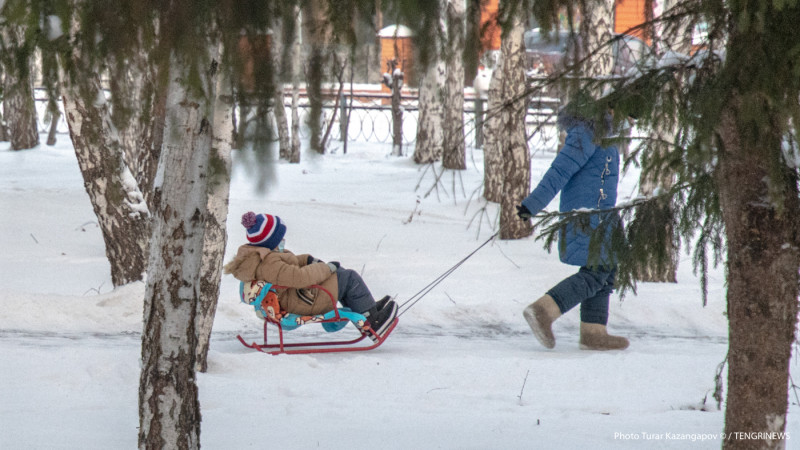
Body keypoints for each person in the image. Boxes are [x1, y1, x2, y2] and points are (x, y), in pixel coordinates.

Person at [517, 93, 629, 351]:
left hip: (602, 215)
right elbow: (559, 172)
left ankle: (593, 332)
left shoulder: (605, 135)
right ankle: (543, 310)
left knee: (606, 269)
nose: (628, 122)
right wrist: (531, 205)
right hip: (585, 217)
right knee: (596, 272)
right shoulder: (585, 133)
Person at [223, 211, 397, 340]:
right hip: (303, 301)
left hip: (295, 298)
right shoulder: (270, 263)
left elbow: (288, 265)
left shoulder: (261, 257)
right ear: (271, 241)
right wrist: (327, 268)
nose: (283, 240)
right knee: (349, 278)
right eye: (280, 237)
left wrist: (307, 259)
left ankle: (368, 310)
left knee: (341, 276)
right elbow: (298, 278)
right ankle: (373, 323)